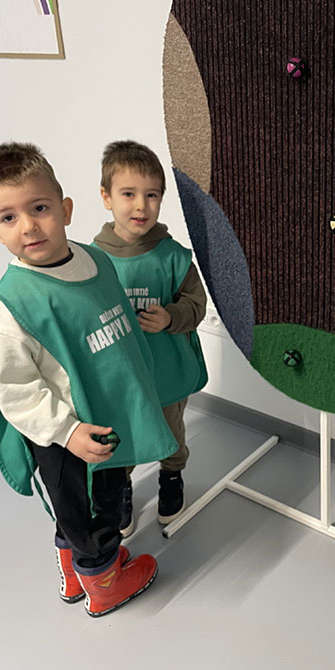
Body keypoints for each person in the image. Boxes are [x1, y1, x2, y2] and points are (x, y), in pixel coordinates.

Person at [0, 142, 179, 617]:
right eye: (8, 218)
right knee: (91, 509)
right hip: (67, 434)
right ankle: (103, 581)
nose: (28, 226)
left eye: (39, 208)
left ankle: (77, 571)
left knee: (86, 506)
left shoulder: (95, 260)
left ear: (65, 209)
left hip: (105, 415)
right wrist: (67, 432)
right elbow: (16, 392)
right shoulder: (13, 307)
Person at [94, 140, 207, 535]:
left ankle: (171, 477)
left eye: (152, 195)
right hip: (119, 376)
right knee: (121, 435)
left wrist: (171, 316)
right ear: (106, 197)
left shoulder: (174, 256)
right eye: (128, 194)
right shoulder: (93, 260)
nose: (141, 206)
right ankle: (121, 486)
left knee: (170, 430)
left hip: (166, 372)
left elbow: (196, 305)